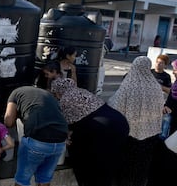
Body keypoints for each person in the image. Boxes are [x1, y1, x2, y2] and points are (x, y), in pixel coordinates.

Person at [51, 78, 129, 186]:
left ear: (58, 91)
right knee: (110, 159)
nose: (55, 97)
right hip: (119, 122)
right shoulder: (82, 91)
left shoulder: (66, 99)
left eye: (55, 94)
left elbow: (66, 127)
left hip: (102, 129)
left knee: (92, 162)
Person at [107, 56, 164, 186]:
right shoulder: (155, 86)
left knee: (126, 167)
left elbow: (115, 106)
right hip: (151, 135)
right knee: (143, 166)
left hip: (130, 135)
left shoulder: (129, 85)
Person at [4, 86, 68, 186]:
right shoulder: (46, 94)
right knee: (44, 179)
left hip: (37, 141)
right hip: (60, 142)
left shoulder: (15, 93)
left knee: (22, 180)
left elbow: (8, 121)